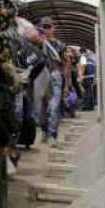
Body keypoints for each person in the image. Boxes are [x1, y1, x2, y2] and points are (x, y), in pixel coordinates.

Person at [39, 16, 67, 146]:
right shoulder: (37, 42)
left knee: (53, 107)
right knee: (41, 108)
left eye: (48, 27)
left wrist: (67, 85)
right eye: (44, 27)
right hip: (40, 77)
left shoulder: (60, 45)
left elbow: (65, 64)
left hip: (55, 76)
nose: (46, 29)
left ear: (53, 28)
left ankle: (52, 135)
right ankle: (44, 131)